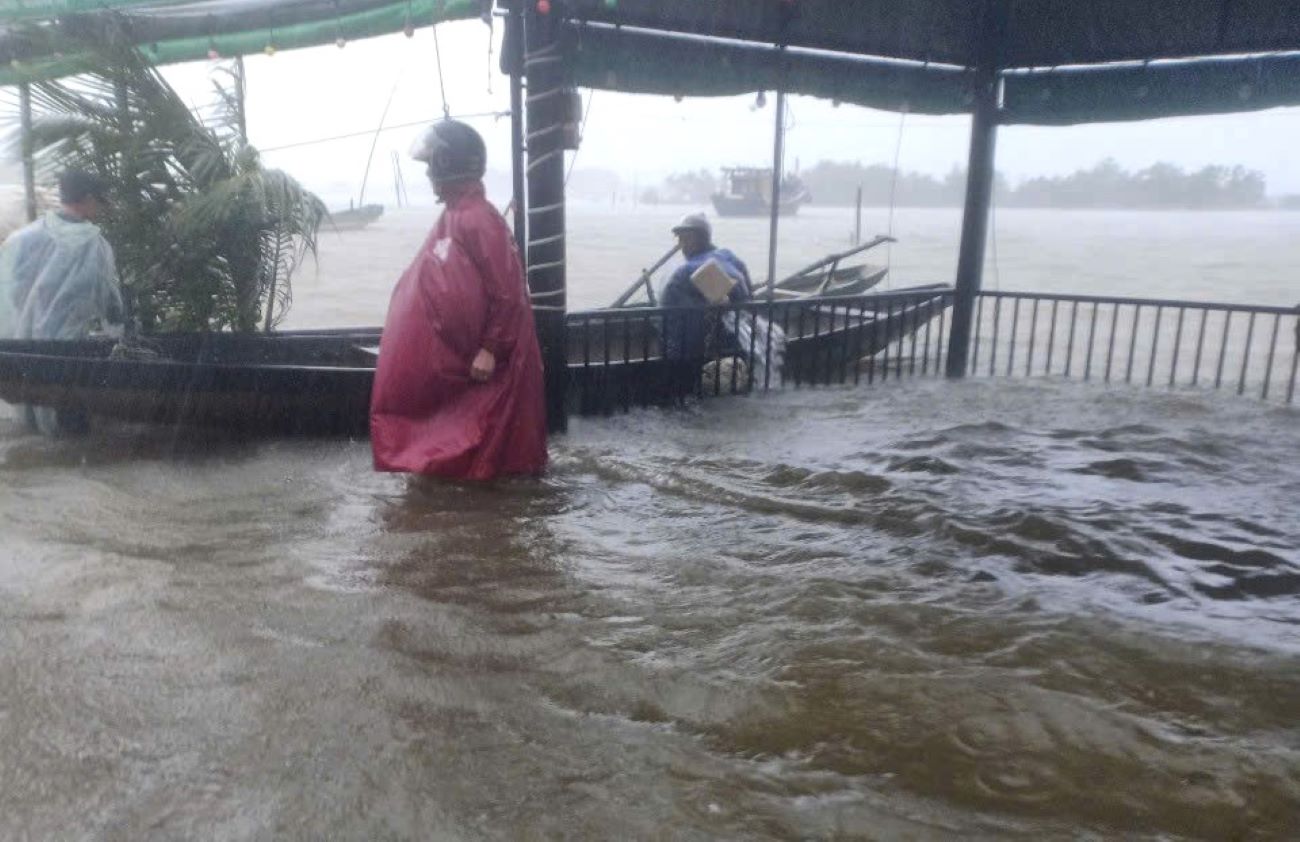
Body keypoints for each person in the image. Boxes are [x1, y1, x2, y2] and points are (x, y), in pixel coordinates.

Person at [370, 120, 547, 480]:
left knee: (494, 444)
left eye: (432, 165)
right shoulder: (453, 215)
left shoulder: (479, 219)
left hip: (488, 361)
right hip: (461, 361)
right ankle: (470, 504)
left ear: (448, 164)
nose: (429, 174)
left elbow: (508, 291)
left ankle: (495, 501)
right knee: (462, 446)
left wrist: (490, 348)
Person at [0, 169, 123, 435]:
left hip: (25, 351)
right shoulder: (96, 246)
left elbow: (8, 293)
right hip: (68, 355)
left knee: (31, 427)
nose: (101, 209)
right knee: (70, 433)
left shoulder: (22, 239)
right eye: (100, 201)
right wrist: (120, 339)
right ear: (89, 199)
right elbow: (111, 306)